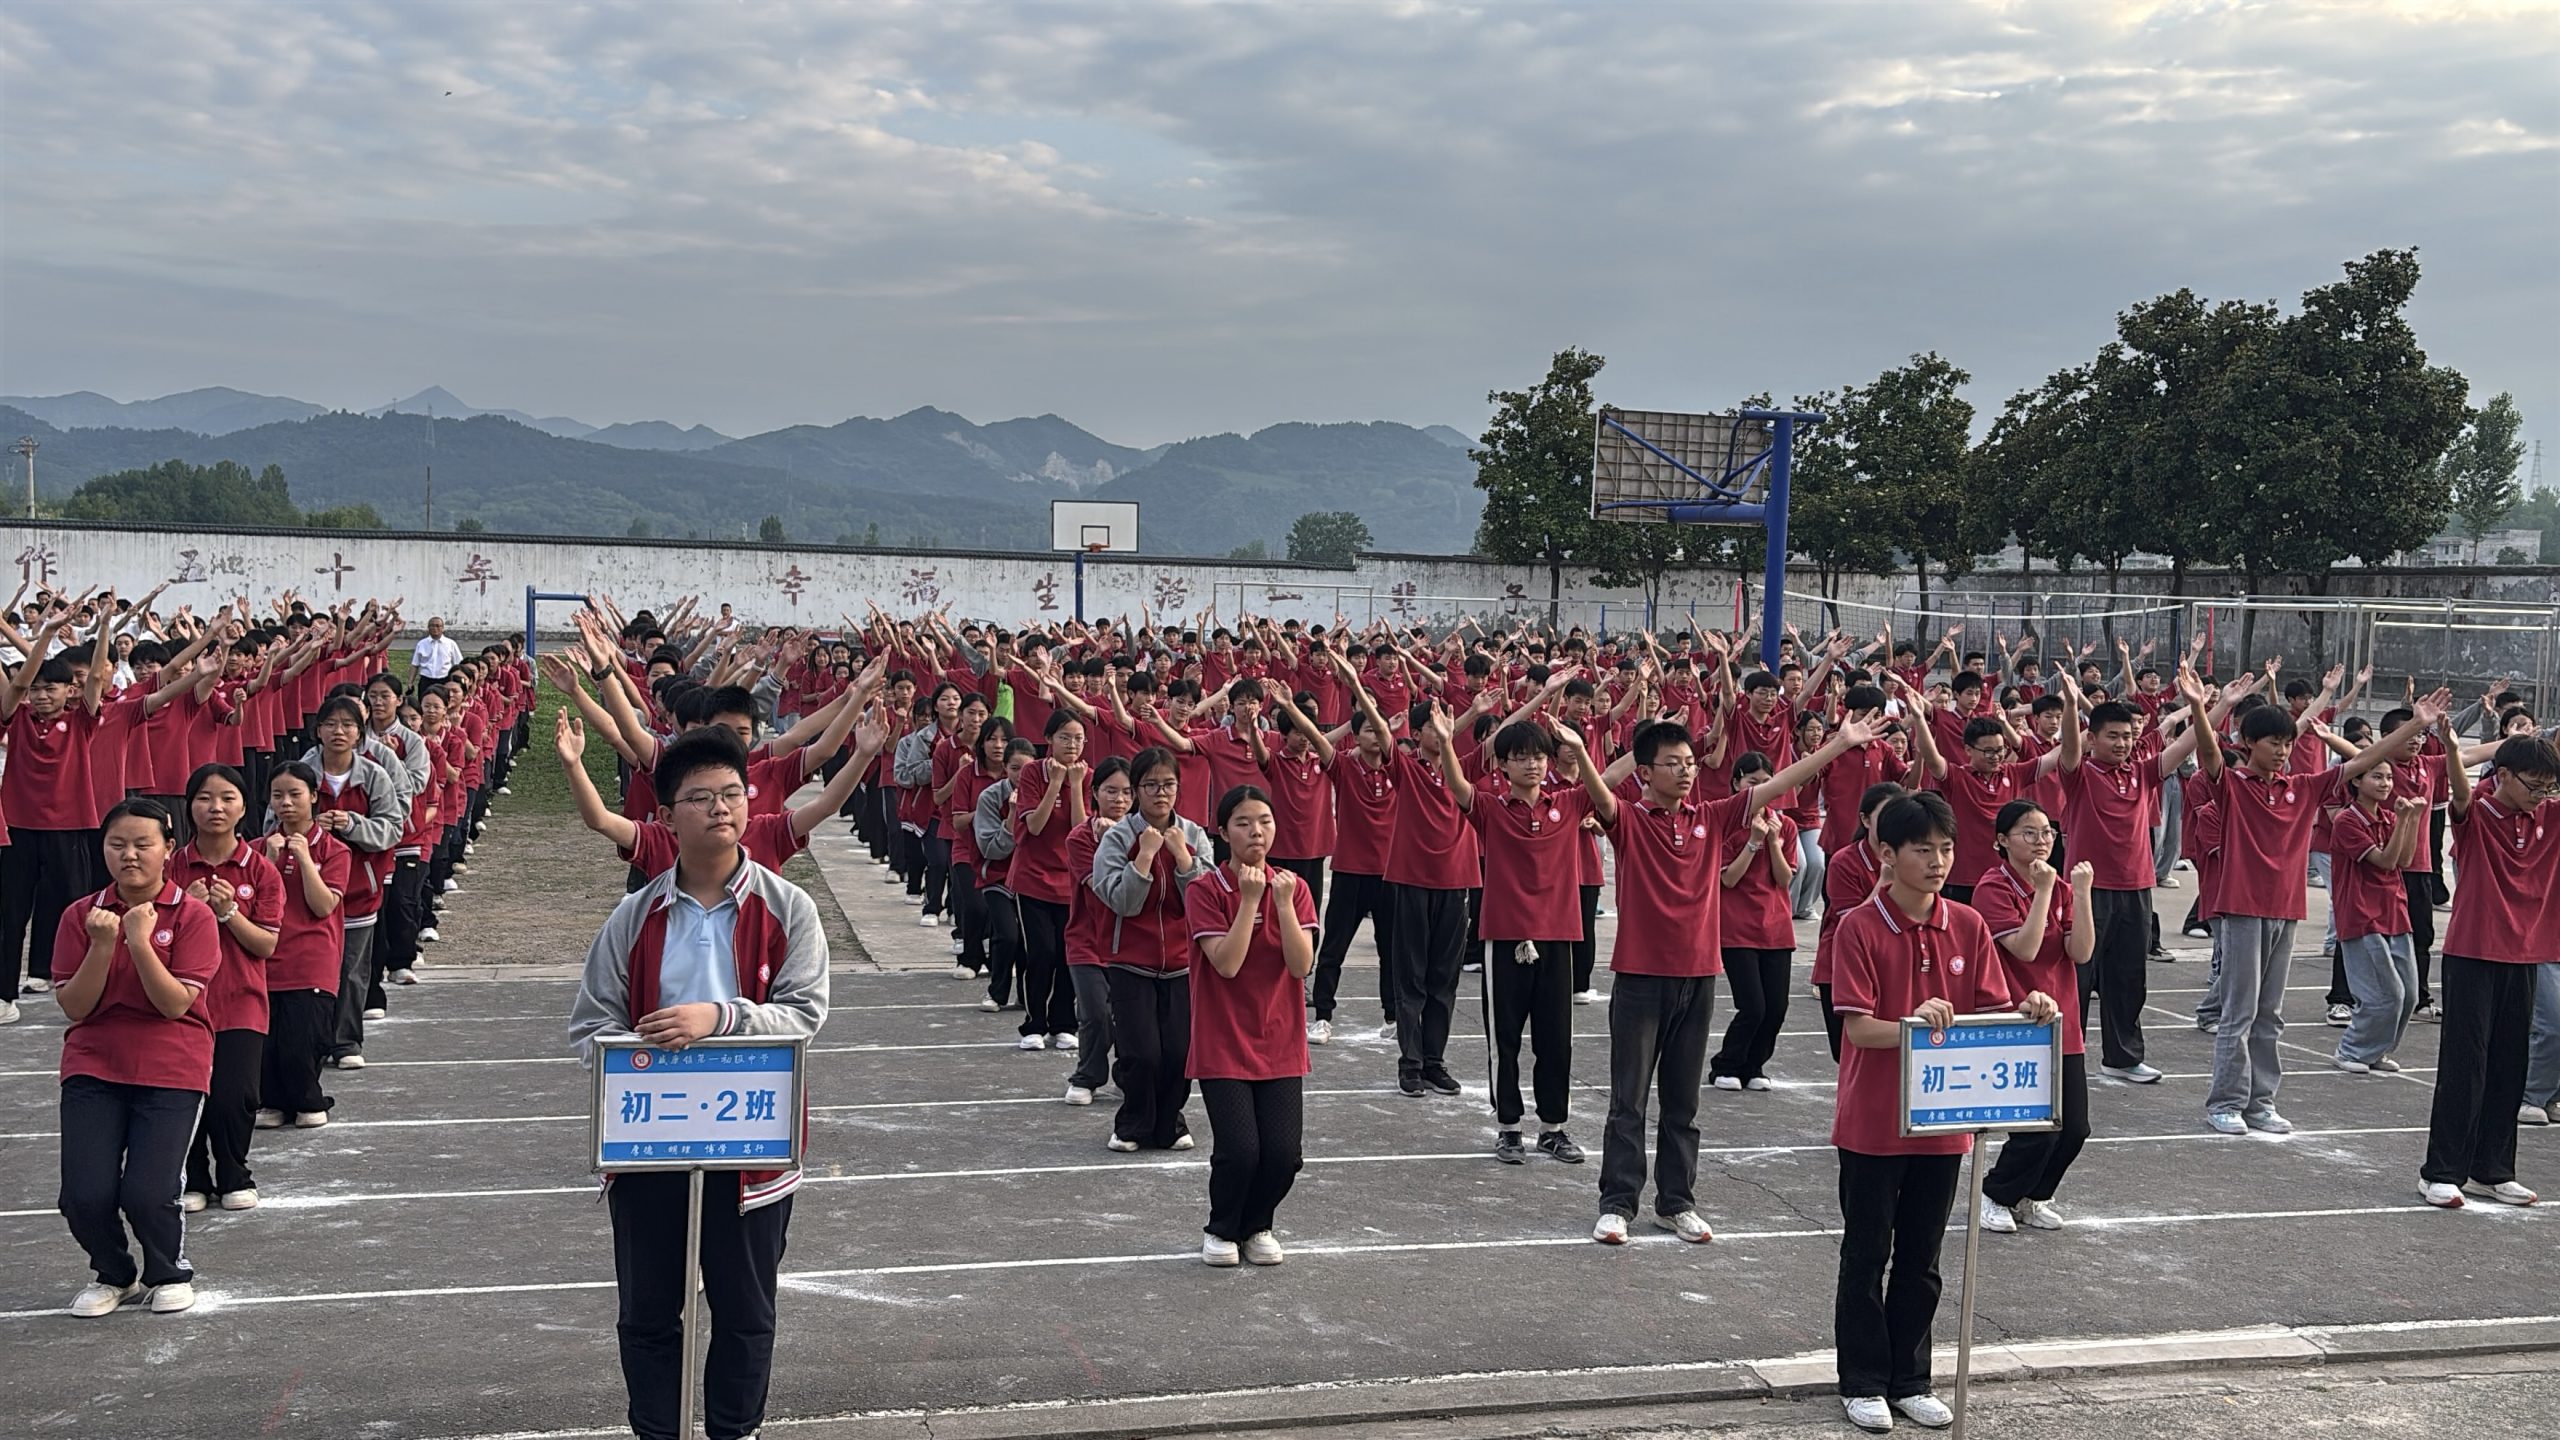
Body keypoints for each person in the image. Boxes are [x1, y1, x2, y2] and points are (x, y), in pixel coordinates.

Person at [567, 726, 830, 1440]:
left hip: (751, 1147)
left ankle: (735, 1430)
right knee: (648, 1312)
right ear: (665, 816)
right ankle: (657, 1430)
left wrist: (718, 1019)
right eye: (701, 797)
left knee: (745, 1311)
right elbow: (590, 1024)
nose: (721, 807)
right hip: (649, 1144)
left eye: (733, 793)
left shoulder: (788, 908)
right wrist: (639, 1058)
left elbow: (805, 1014)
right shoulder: (635, 915)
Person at [1590, 714, 1881, 1246]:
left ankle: (1676, 1202)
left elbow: (1781, 782)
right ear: (1646, 772)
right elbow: (1599, 792)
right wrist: (1591, 750)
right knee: (1628, 1100)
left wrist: (1839, 743)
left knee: (1683, 1102)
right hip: (1640, 978)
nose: (1685, 772)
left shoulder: (1714, 815)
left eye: (1689, 763)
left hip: (1699, 977)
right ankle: (1617, 1204)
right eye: (1672, 764)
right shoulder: (1630, 819)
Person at [1827, 792, 2062, 1433]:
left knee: (1922, 1258)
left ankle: (1911, 1379)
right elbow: (1859, 1029)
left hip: (1942, 1123)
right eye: (1923, 849)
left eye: (1947, 848)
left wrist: (2029, 1008)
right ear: (1887, 853)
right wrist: (1914, 1023)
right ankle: (1862, 1381)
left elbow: (1989, 1010)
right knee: (1866, 1254)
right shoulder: (1859, 926)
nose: (1937, 861)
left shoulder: (1967, 924)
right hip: (1874, 1124)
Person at [2190, 671, 2419, 1136]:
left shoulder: (2304, 787)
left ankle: (2261, 1102)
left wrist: (2416, 724)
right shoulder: (2233, 786)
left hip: (2287, 910)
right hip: (2242, 908)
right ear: (2247, 743)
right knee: (2239, 1011)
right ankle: (2226, 1102)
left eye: (2287, 743)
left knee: (2270, 1013)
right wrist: (2201, 706)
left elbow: (2364, 759)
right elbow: (2209, 754)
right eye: (2273, 742)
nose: (2282, 751)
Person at [54, 800, 224, 1318]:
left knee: (149, 1191)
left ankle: (168, 1271)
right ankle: (115, 1273)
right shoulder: (81, 916)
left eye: (143, 844)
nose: (130, 855)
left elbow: (174, 1004)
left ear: (168, 849)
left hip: (171, 1063)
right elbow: (76, 1006)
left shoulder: (192, 915)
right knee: (83, 1194)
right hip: (94, 1062)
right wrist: (103, 945)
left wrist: (139, 940)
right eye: (117, 844)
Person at [2052, 672, 2227, 1084]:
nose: (2122, 743)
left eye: (2128, 736)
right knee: (2078, 977)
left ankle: (2122, 1057)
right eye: (2112, 736)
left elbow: (2188, 743)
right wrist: (2072, 706)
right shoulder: (2080, 775)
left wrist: (2212, 706)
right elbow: (2070, 748)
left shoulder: (2142, 772)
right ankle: (2064, 1057)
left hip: (2136, 888)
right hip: (2088, 891)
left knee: (2129, 977)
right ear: (2093, 738)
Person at [1437, 716, 1594, 1165]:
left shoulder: (1568, 803)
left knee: (1555, 1039)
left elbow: (1612, 780)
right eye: (1521, 757)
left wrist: (1582, 750)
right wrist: (1447, 743)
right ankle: (1508, 1128)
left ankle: (1553, 1128)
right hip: (1505, 937)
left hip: (1557, 936)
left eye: (1540, 756)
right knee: (1503, 1039)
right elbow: (1458, 787)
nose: (1533, 764)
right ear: (1502, 764)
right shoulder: (1491, 809)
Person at [2418, 728, 2559, 1209]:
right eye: (2533, 785)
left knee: (2509, 1064)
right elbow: (2459, 793)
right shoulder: (2478, 814)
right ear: (2502, 776)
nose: (2541, 795)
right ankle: (2441, 1172)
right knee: (2466, 1064)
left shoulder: (2550, 817)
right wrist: (2454, 750)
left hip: (2525, 953)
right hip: (2473, 952)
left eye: (2549, 787)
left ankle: (2493, 1169)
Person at [1183, 784, 1320, 1267]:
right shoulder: (1204, 890)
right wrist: (1248, 901)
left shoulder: (1294, 888)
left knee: (1283, 1155)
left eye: (1264, 821)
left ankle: (1258, 1224)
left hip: (1280, 1039)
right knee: (1240, 1150)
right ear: (1223, 833)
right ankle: (1222, 1228)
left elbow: (1301, 965)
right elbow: (1226, 963)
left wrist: (1280, 905)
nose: (1255, 832)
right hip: (1223, 1041)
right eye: (1242, 823)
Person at [1973, 802, 2095, 1233]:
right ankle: (1996, 1194)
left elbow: (2081, 952)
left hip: (2063, 1019)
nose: (2041, 841)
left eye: (2047, 833)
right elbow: (2025, 949)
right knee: (2037, 1129)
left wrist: (2081, 893)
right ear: (2002, 841)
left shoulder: (2060, 887)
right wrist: (2043, 892)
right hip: (2019, 1019)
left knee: (2075, 1128)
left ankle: (2034, 1195)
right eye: (2029, 833)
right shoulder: (1993, 887)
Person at [169, 765, 285, 1212]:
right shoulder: (172, 868)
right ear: (189, 806)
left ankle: (235, 1173)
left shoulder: (260, 870)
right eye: (204, 798)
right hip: (182, 1003)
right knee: (187, 1094)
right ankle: (194, 1177)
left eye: (227, 798)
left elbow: (266, 944)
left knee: (236, 1096)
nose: (215, 807)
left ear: (243, 807)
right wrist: (191, 909)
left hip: (241, 1001)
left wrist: (229, 914)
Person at [1091, 746, 1215, 1151]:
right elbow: (1121, 901)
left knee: (1179, 1052)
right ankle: (1132, 1123)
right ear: (1137, 790)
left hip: (1182, 963)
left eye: (1168, 785)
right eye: (1150, 785)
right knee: (1141, 1052)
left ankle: (1170, 1123)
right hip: (1130, 962)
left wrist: (1182, 857)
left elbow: (1206, 901)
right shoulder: (1117, 837)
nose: (1161, 793)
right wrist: (1144, 855)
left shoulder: (1194, 835)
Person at [306, 695, 407, 1069]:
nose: (339, 731)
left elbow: (393, 828)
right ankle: (311, 1043)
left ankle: (346, 1041)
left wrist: (353, 824)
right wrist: (310, 828)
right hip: (309, 893)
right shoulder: (301, 774)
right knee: (311, 971)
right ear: (318, 730)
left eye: (348, 725)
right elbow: (273, 824)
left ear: (359, 733)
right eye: (330, 724)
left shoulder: (374, 775)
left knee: (351, 972)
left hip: (359, 891)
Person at [257, 763, 349, 1129]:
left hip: (311, 961)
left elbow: (323, 905)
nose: (286, 803)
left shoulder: (334, 850)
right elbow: (252, 905)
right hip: (266, 959)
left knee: (302, 1041)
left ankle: (309, 1099)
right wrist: (269, 860)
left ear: (313, 796)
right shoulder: (259, 849)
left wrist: (305, 859)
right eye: (277, 796)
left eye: (295, 794)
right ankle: (272, 1102)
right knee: (267, 1045)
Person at [2327, 756, 2428, 1075]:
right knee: (2385, 994)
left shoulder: (2388, 817)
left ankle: (2376, 1050)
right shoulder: (2347, 820)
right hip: (2362, 914)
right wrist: (2404, 820)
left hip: (2394, 911)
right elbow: (2384, 861)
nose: (2386, 784)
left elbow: (2405, 859)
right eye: (2377, 777)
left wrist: (2412, 820)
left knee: (2408, 995)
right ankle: (2352, 1049)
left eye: (2388, 777)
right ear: (2356, 781)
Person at [1707, 753, 1799, 1094]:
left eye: (1766, 782)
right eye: (1752, 782)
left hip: (1776, 927)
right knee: (1753, 1006)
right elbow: (1728, 879)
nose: (1760, 789)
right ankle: (1725, 1065)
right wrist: (1753, 842)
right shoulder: (1727, 824)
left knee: (1776, 1008)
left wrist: (1773, 842)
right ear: (1737, 784)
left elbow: (1784, 878)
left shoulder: (1785, 826)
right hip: (1737, 928)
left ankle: (1754, 1065)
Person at [1007, 710, 1091, 1051]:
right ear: (1049, 740)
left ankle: (1063, 1023)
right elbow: (1035, 826)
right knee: (1041, 952)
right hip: (1033, 879)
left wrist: (1075, 785)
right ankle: (1034, 1023)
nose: (1072, 745)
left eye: (1078, 739)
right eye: (1065, 738)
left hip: (1070, 882)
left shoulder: (1086, 775)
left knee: (1068, 954)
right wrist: (1055, 783)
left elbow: (1079, 831)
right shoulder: (1032, 772)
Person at [1061, 756, 1136, 1106]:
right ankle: (1087, 1076)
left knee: (1131, 1016)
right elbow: (1105, 888)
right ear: (1094, 793)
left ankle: (1126, 1075)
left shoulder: (1144, 836)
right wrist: (1109, 844)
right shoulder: (1080, 838)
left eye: (1127, 792)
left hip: (1130, 942)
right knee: (1095, 1012)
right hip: (1087, 940)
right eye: (1111, 791)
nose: (1119, 800)